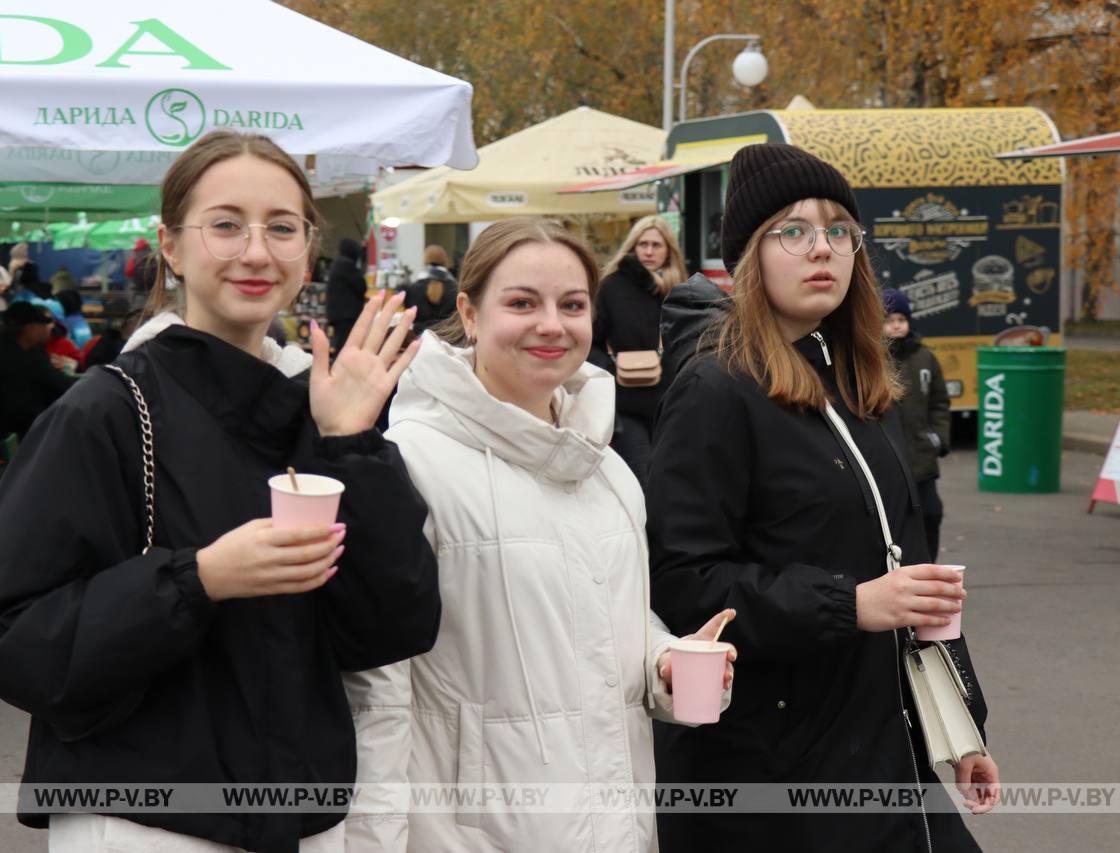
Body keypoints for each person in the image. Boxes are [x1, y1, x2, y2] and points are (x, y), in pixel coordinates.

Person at [0, 130, 441, 853]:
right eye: (225, 225)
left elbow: (395, 628)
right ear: (171, 245)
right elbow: (15, 645)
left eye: (281, 227)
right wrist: (197, 579)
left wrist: (352, 444)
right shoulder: (103, 412)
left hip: (303, 816)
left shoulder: (316, 413)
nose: (256, 252)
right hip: (144, 819)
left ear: (308, 249)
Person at [647, 144, 999, 853]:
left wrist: (960, 726)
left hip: (887, 743)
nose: (823, 248)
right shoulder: (714, 388)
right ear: (750, 256)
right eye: (795, 230)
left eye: (840, 229)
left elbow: (917, 581)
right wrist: (851, 603)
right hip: (777, 774)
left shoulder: (865, 386)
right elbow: (682, 582)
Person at [344, 218, 735, 853]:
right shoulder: (411, 463)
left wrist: (663, 660)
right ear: (469, 314)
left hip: (616, 826)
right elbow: (378, 692)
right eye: (522, 302)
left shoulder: (606, 467)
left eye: (572, 305)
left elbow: (601, 629)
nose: (551, 324)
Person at [591, 215, 688, 481]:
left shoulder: (680, 289)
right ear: (632, 247)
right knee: (640, 478)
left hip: (671, 405)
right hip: (626, 403)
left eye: (656, 245)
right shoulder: (611, 287)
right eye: (642, 244)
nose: (648, 251)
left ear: (669, 250)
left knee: (669, 479)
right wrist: (612, 369)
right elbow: (591, 344)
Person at [884, 288, 951, 561]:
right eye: (889, 319)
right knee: (895, 522)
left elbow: (940, 403)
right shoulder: (871, 358)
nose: (896, 324)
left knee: (931, 514)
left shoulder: (925, 358)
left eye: (901, 318)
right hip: (888, 460)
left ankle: (928, 567)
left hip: (921, 456)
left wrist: (938, 438)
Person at [0, 301, 76, 440]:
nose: (47, 329)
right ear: (29, 328)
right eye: (43, 325)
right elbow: (53, 382)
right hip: (17, 429)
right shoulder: (20, 356)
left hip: (3, 425)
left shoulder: (0, 345)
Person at [400, 244, 458, 336]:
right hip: (448, 339)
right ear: (445, 261)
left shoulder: (412, 289)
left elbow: (409, 314)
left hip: (419, 340)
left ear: (424, 260)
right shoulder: (456, 289)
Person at [325, 237, 367, 351]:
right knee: (345, 345)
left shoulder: (339, 263)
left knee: (342, 343)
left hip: (339, 314)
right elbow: (361, 285)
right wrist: (363, 258)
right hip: (346, 315)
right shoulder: (346, 265)